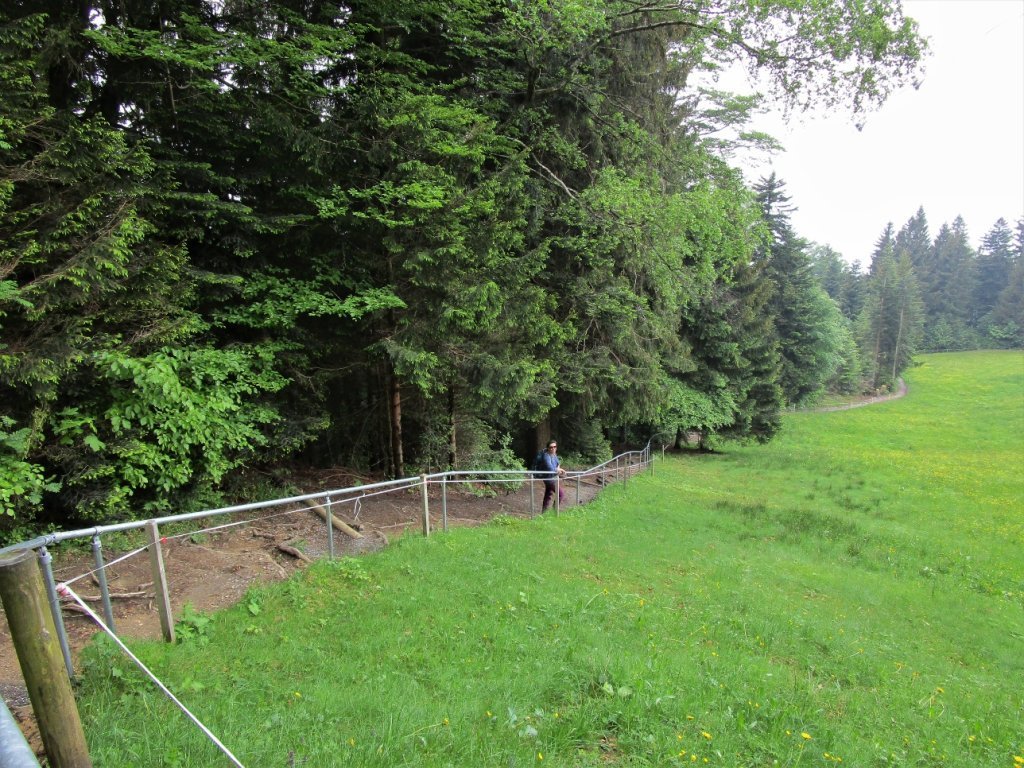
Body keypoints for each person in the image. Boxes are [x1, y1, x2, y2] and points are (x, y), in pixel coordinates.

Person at [535, 440, 566, 511]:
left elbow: (557, 464)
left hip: (552, 477)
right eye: (551, 447)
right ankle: (554, 511)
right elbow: (550, 467)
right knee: (561, 494)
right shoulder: (546, 456)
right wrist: (558, 470)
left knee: (548, 495)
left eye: (554, 447)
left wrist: (559, 468)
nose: (553, 448)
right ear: (548, 448)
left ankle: (544, 512)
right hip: (549, 479)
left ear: (556, 447)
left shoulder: (554, 455)